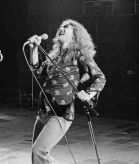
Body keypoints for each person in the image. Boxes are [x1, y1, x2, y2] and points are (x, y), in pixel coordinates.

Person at [28, 18, 106, 164]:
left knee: (38, 152)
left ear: (75, 34)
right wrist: (34, 48)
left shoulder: (78, 54)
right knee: (36, 155)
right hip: (44, 110)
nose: (61, 28)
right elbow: (38, 69)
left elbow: (100, 77)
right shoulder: (54, 56)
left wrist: (88, 94)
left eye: (65, 27)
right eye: (60, 27)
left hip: (61, 112)